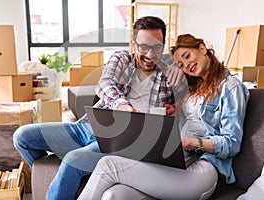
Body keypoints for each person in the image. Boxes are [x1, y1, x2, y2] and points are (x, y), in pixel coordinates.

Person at [13, 16, 184, 200]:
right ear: (133, 44)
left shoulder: (170, 72)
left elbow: (190, 103)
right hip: (88, 127)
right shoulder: (121, 58)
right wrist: (123, 105)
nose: (150, 55)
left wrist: (177, 107)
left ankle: (73, 176)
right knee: (22, 137)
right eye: (144, 47)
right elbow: (105, 84)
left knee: (73, 160)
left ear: (164, 46)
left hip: (123, 140)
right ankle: (58, 177)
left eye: (156, 48)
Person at [77, 34, 250, 200]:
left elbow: (232, 143)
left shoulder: (231, 88)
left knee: (109, 165)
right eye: (181, 64)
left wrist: (193, 143)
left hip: (204, 169)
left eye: (187, 55)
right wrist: (176, 115)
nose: (187, 65)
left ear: (202, 48)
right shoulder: (195, 88)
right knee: (114, 195)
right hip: (178, 160)